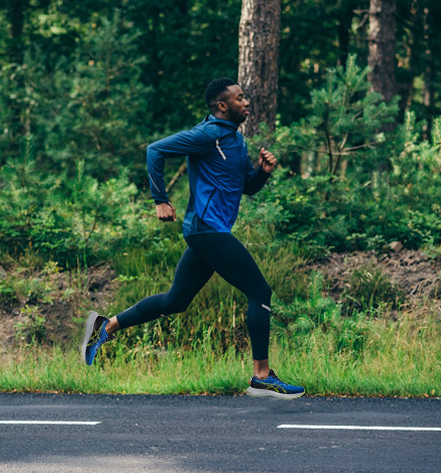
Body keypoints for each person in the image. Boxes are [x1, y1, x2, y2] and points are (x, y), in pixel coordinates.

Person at [80, 78, 305, 399]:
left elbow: (247, 187)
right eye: (240, 98)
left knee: (176, 301)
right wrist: (160, 198)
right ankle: (261, 375)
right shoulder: (208, 135)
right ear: (222, 106)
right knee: (260, 291)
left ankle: (106, 327)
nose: (247, 102)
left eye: (246, 97)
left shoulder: (235, 141)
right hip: (205, 228)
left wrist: (264, 172)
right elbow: (155, 150)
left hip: (212, 231)